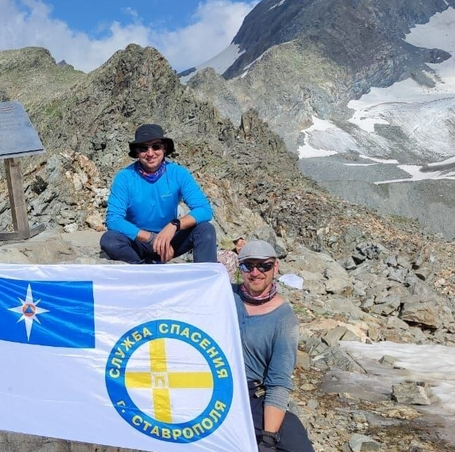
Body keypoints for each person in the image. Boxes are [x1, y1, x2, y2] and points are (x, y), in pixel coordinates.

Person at [233, 240, 314, 452]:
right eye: (247, 265)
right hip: (210, 383)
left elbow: (278, 381)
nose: (255, 272)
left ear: (275, 267)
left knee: (297, 441)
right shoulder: (224, 295)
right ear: (239, 267)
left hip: (249, 395)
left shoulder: (284, 320)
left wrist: (268, 438)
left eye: (264, 266)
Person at [100, 123, 216, 264]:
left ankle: (204, 280)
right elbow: (113, 220)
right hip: (138, 241)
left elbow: (204, 210)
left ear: (164, 148)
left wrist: (174, 225)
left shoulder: (178, 173)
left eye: (156, 146)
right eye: (143, 148)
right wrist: (151, 238)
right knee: (109, 240)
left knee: (205, 229)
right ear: (137, 152)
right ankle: (145, 269)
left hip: (170, 240)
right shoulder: (124, 177)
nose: (150, 153)